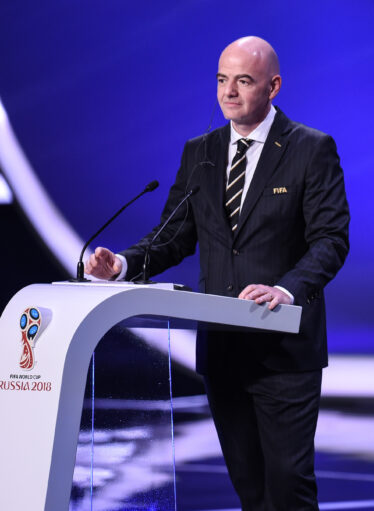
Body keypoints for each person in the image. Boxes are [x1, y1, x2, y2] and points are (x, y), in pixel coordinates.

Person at [86, 36, 350, 511]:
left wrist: (287, 290)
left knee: (288, 487)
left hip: (284, 351)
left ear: (273, 86)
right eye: (222, 80)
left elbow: (331, 240)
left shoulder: (311, 149)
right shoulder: (200, 153)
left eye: (243, 81)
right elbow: (172, 237)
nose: (228, 92)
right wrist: (121, 265)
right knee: (250, 489)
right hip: (223, 350)